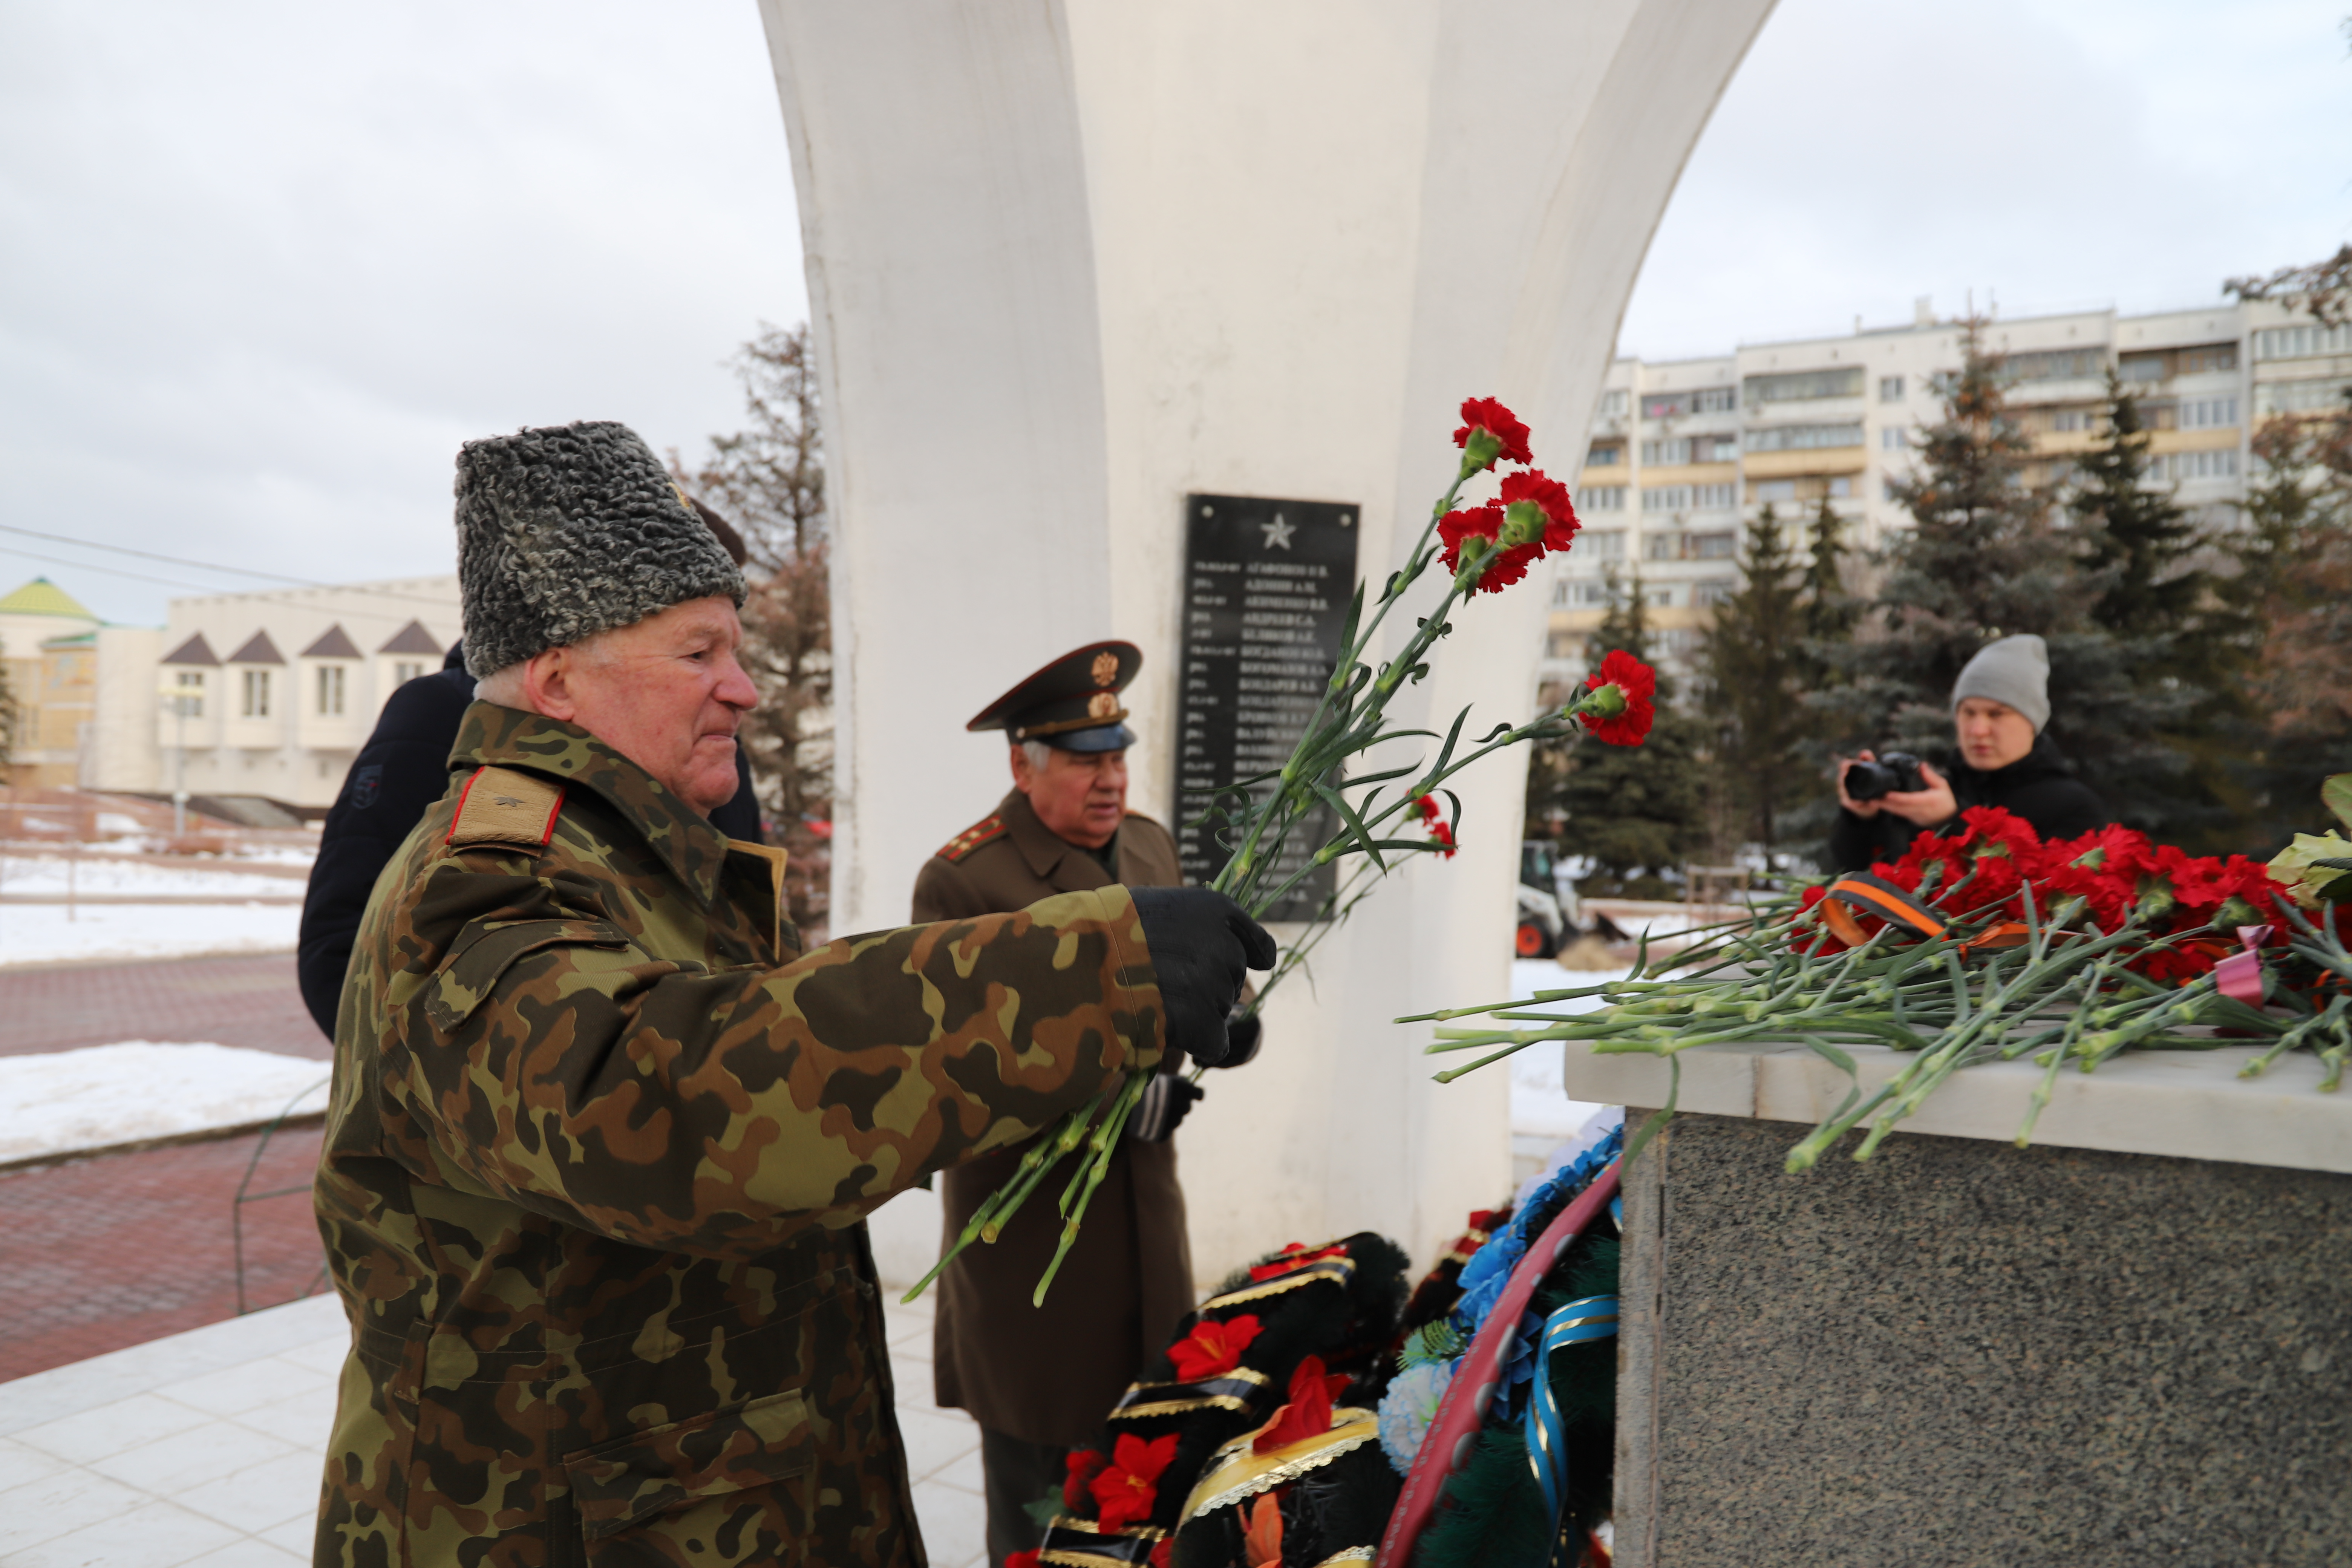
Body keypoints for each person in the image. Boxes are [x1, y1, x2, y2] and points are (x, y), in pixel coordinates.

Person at [311, 421, 1274, 1566]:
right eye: (700, 652)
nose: (746, 689)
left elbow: (777, 1044)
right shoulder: (475, 888)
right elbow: (664, 1100)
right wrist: (1089, 972)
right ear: (560, 680)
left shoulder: (637, 856)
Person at [911, 643, 1260, 1568]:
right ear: (1021, 764)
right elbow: (956, 1072)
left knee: (1139, 1473)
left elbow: (1183, 986)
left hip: (1143, 1222)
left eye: (1117, 754)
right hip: (1036, 1251)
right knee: (1037, 1511)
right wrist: (1107, 1093)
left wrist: (1231, 1019)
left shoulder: (1146, 844)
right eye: (1082, 759)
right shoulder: (964, 881)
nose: (1110, 779)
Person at [295, 498, 762, 1038]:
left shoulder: (709, 743)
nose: (739, 690)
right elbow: (344, 945)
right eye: (693, 647)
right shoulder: (443, 717)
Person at [1830, 633, 2109, 872]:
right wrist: (1859, 819)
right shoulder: (1932, 793)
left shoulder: (2074, 807)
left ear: (2032, 722)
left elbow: (2043, 902)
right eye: (1968, 712)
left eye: (1996, 714)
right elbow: (1852, 875)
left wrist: (1951, 822)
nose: (1977, 730)